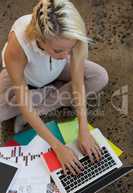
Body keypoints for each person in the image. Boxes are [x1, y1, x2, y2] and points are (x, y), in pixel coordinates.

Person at [0, 0, 109, 175]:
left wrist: (83, 129)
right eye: (59, 50)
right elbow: (23, 101)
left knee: (99, 77)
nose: (67, 55)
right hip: (26, 77)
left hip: (56, 70)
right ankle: (44, 94)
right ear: (39, 39)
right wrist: (58, 147)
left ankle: (40, 104)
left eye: (70, 49)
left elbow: (78, 81)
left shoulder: (71, 34)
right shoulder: (17, 46)